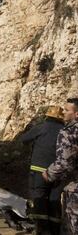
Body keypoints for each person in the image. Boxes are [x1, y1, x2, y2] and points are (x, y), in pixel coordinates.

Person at [19, 106, 64, 234]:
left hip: (38, 172)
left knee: (39, 200)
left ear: (47, 116)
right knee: (54, 200)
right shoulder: (65, 130)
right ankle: (55, 230)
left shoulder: (41, 127)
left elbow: (24, 140)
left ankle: (42, 231)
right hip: (57, 173)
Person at [43, 98, 78, 234]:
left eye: (67, 110)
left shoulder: (68, 133)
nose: (63, 112)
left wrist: (49, 173)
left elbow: (64, 162)